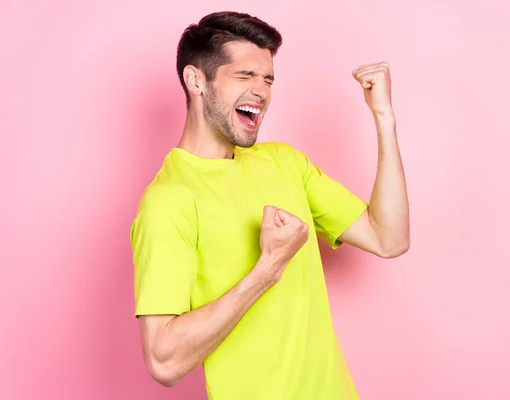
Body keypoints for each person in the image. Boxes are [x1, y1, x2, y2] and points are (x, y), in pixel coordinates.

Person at [129, 11, 409, 400]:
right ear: (196, 80)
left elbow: (388, 237)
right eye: (245, 75)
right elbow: (164, 361)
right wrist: (269, 266)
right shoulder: (169, 200)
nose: (261, 90)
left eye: (268, 79)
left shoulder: (283, 162)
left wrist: (384, 117)